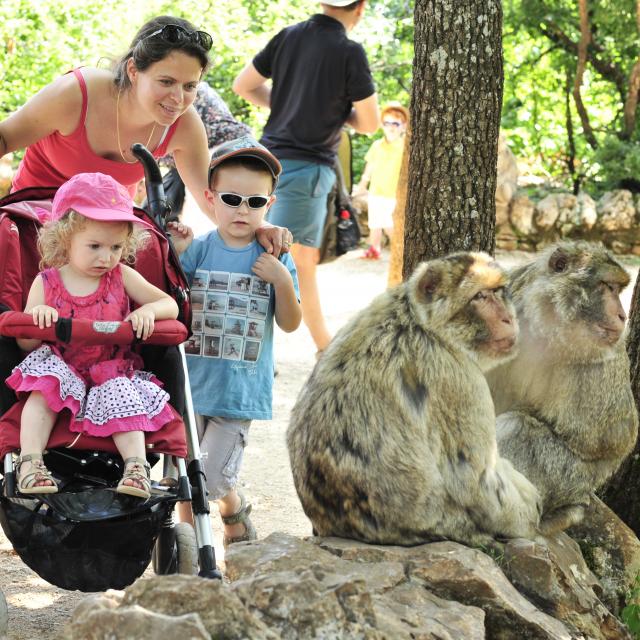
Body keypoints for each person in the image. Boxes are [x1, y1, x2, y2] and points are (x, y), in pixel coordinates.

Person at [0, 15, 291, 255]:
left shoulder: (185, 125)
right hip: (32, 225)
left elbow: (210, 199)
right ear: (133, 70)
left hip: (106, 240)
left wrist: (260, 226)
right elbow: (4, 139)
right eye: (166, 81)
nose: (178, 98)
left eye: (190, 86)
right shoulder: (77, 94)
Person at [6, 172, 179, 500]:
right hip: (62, 367)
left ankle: (136, 468)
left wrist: (146, 311)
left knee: (123, 396)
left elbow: (168, 304)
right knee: (43, 389)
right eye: (95, 246)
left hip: (109, 369)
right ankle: (30, 462)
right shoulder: (47, 282)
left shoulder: (121, 276)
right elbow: (24, 344)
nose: (107, 257)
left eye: (116, 247)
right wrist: (39, 321)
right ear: (65, 238)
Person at [169, 136, 301, 546]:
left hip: (238, 391)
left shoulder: (275, 256)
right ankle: (194, 548)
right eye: (231, 198)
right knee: (192, 472)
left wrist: (280, 280)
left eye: (255, 202)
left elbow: (291, 322)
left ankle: (210, 526)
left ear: (269, 204)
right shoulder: (200, 250)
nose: (243, 210)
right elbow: (173, 300)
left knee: (204, 478)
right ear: (210, 198)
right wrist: (176, 250)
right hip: (193, 385)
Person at [232, 0, 379, 355]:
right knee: (296, 261)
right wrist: (333, 114)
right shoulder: (349, 51)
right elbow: (371, 123)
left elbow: (244, 85)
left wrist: (288, 105)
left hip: (265, 163)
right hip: (307, 168)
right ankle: (323, 348)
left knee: (252, 248)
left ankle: (250, 339)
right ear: (360, 8)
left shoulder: (288, 35)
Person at [156, 80, 252, 217]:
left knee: (208, 214)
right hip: (243, 144)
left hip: (218, 149)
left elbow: (170, 153)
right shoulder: (194, 87)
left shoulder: (175, 105)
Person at [353, 102, 408, 259]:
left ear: (403, 126)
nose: (391, 127)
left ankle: (399, 249)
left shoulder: (404, 146)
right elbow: (369, 167)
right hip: (376, 191)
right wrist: (363, 185)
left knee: (390, 224)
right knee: (375, 224)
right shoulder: (377, 145)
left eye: (396, 124)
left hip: (393, 194)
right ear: (382, 125)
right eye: (387, 123)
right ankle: (374, 248)